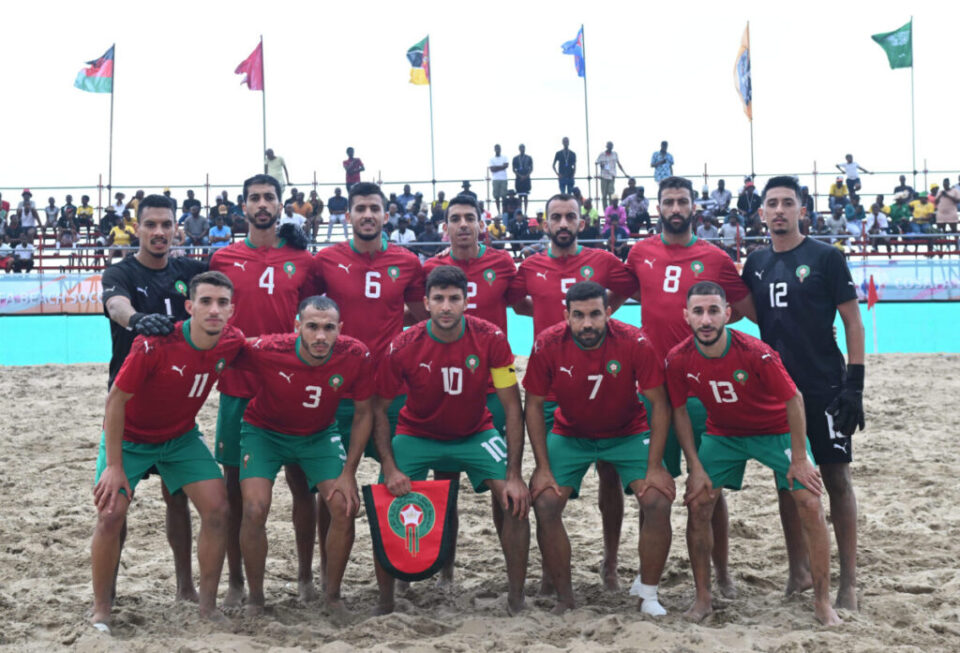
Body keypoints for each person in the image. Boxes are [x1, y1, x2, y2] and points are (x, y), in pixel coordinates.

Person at [667, 280, 841, 626]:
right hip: (724, 434)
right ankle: (703, 598)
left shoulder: (755, 351)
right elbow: (680, 411)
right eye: (698, 312)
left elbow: (794, 399)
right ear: (686, 316)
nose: (706, 320)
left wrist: (798, 457)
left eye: (713, 311)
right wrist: (695, 466)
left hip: (775, 430)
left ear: (728, 315)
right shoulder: (678, 358)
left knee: (808, 500)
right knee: (699, 502)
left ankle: (822, 603)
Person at [89, 271, 245, 634]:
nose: (214, 309)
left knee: (219, 509)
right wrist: (114, 466)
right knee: (111, 513)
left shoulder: (232, 341)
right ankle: (100, 612)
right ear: (189, 306)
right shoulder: (153, 344)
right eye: (205, 301)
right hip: (129, 438)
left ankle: (206, 607)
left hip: (180, 437)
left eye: (222, 303)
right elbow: (115, 401)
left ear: (232, 310)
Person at [626, 176, 756, 599]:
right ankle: (651, 576)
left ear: (694, 206)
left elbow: (745, 308)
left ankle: (722, 574)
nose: (676, 207)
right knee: (654, 486)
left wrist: (709, 329)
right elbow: (606, 299)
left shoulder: (715, 256)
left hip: (701, 387)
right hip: (654, 390)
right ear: (658, 207)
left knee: (709, 486)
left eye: (683, 200)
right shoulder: (639, 252)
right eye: (669, 201)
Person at [373, 265, 530, 614]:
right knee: (384, 499)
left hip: (476, 432)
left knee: (516, 502)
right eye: (439, 299)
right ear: (425, 303)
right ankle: (387, 600)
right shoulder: (403, 343)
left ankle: (517, 596)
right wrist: (388, 464)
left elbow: (512, 406)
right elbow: (378, 409)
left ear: (466, 301)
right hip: (417, 434)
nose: (446, 306)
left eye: (454, 299)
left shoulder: (490, 337)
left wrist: (516, 474)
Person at [742, 175, 865, 611]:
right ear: (761, 213)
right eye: (771, 203)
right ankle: (798, 571)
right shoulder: (755, 263)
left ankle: (848, 583)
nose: (779, 210)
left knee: (835, 479)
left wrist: (855, 384)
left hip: (825, 387)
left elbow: (852, 322)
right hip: (776, 391)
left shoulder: (827, 257)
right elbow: (753, 312)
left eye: (787, 203)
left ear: (802, 210)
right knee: (788, 482)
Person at [509, 193, 639, 591]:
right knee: (545, 477)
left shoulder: (603, 262)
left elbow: (628, 289)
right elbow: (517, 304)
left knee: (610, 476)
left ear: (582, 222)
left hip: (601, 379)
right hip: (549, 388)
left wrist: (599, 313)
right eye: (556, 217)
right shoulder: (529, 266)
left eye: (570, 216)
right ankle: (551, 573)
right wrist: (555, 315)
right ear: (543, 223)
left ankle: (611, 563)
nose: (563, 223)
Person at [525, 281, 673, 615]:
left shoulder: (634, 341)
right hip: (571, 432)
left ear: (608, 312)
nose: (587, 323)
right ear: (566, 316)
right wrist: (542, 467)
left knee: (657, 498)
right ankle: (565, 597)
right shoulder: (547, 343)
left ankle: (647, 593)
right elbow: (533, 405)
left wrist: (654, 467)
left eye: (595, 314)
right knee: (546, 502)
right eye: (578, 315)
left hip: (627, 432)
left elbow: (659, 404)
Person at [208, 174, 318, 606]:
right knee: (236, 487)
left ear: (280, 204)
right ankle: (236, 581)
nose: (262, 203)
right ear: (243, 207)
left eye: (269, 197)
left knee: (302, 484)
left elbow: (313, 317)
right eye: (254, 198)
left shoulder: (302, 260)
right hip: (239, 385)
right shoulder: (223, 258)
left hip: (291, 385)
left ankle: (306, 578)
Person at [232, 296, 374, 617]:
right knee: (254, 508)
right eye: (312, 327)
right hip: (264, 432)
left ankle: (333, 595)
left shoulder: (356, 354)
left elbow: (365, 414)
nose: (320, 336)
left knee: (344, 505)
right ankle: (255, 597)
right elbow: (224, 349)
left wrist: (349, 472)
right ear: (297, 327)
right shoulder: (269, 348)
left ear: (341, 329)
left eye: (328, 328)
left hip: (318, 435)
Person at [100, 194, 210, 604]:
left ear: (177, 228)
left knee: (177, 496)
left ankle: (185, 588)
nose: (159, 232)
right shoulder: (120, 272)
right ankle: (107, 593)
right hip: (129, 407)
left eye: (167, 224)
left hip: (178, 409)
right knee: (116, 502)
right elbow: (115, 304)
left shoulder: (190, 271)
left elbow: (238, 272)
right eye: (151, 225)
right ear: (138, 228)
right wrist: (137, 320)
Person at [311, 181, 428, 561]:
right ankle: (324, 571)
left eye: (374, 208)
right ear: (348, 216)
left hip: (392, 391)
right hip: (338, 392)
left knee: (400, 482)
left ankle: (400, 568)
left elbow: (421, 316)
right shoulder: (325, 261)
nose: (367, 215)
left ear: (385, 215)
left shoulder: (407, 262)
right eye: (360, 208)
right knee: (328, 490)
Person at [596, 141, 628, 209]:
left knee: (611, 194)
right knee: (604, 195)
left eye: (611, 146)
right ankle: (606, 210)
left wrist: (625, 173)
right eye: (609, 146)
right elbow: (596, 163)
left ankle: (611, 209)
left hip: (612, 176)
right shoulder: (602, 154)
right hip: (604, 176)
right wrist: (601, 166)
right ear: (606, 146)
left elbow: (619, 164)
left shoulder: (615, 154)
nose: (610, 147)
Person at [512, 144, 533, 215]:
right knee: (520, 197)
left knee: (526, 196)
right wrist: (520, 176)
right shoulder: (515, 158)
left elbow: (531, 168)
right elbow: (513, 169)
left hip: (526, 179)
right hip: (518, 179)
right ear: (519, 149)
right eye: (521, 148)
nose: (522, 149)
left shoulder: (529, 157)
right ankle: (520, 211)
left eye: (523, 148)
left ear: (525, 149)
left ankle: (526, 212)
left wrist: (526, 176)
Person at [489, 144, 510, 214]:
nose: (497, 150)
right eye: (496, 148)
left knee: (504, 196)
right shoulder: (492, 159)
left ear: (500, 149)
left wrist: (496, 167)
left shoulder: (504, 157)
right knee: (496, 197)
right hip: (495, 179)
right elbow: (492, 169)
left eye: (499, 148)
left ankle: (504, 211)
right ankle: (498, 212)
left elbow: (506, 165)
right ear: (494, 150)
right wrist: (502, 167)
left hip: (503, 179)